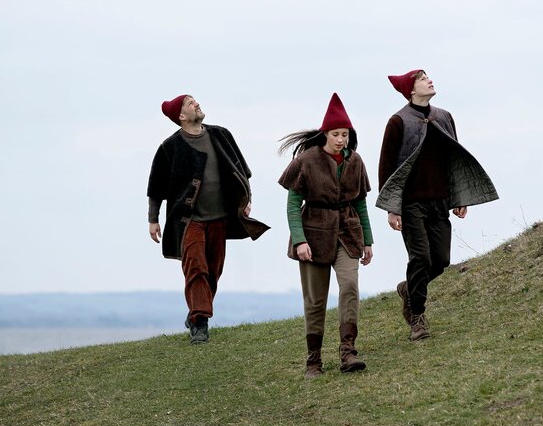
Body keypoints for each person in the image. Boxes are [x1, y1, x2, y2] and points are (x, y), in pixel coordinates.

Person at [377, 70, 498, 341]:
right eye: (422, 78)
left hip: (440, 201)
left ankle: (408, 288)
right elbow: (387, 167)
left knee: (441, 261)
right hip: (411, 204)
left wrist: (459, 197)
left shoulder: (444, 117)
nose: (429, 80)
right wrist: (392, 208)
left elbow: (453, 158)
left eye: (428, 77)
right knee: (420, 257)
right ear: (411, 90)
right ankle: (417, 317)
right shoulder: (397, 122)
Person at [147, 94, 269, 344]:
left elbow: (242, 172)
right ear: (181, 116)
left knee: (213, 271)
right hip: (189, 220)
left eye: (195, 100)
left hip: (220, 218)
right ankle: (199, 321)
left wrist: (246, 200)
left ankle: (196, 311)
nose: (196, 104)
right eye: (189, 103)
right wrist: (153, 218)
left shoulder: (221, 135)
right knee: (196, 268)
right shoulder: (170, 147)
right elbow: (156, 187)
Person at [278, 93, 374, 378]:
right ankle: (314, 360)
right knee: (315, 300)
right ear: (325, 134)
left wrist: (368, 241)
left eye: (345, 134)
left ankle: (348, 350)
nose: (341, 139)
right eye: (336, 134)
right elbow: (293, 205)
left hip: (348, 233)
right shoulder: (307, 160)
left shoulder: (355, 161)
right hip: (313, 234)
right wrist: (299, 240)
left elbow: (361, 203)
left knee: (350, 286)